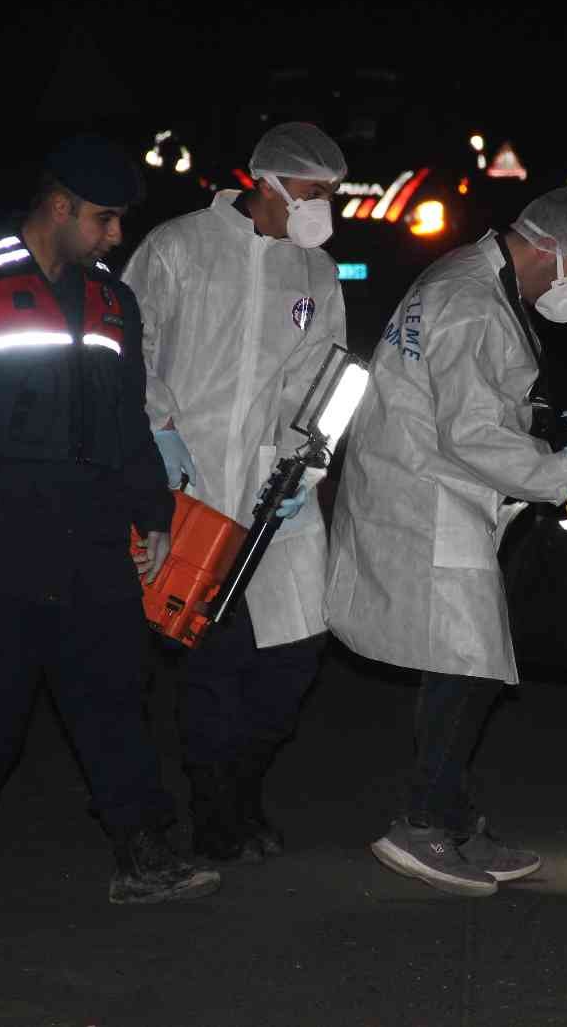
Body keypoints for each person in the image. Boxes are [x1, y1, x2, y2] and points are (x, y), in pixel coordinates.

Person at [0, 134, 219, 904]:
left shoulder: (114, 300)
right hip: (1, 529)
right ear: (59, 206)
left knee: (113, 695)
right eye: (105, 219)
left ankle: (143, 850)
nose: (116, 236)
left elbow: (131, 421)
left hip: (94, 530)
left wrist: (155, 511)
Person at [325, 188, 567, 896]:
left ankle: (452, 818)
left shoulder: (468, 275)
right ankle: (424, 824)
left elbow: (477, 398)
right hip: (432, 495)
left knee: (465, 662)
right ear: (552, 251)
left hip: (430, 487)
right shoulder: (473, 300)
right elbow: (471, 432)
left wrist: (546, 431)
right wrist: (561, 477)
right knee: (470, 663)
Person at [122, 122, 348, 862]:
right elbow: (130, 348)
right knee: (213, 661)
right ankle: (219, 812)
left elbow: (327, 383)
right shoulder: (179, 246)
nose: (324, 210)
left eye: (331, 196)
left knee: (294, 654)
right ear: (268, 183)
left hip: (279, 495)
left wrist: (306, 470)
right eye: (313, 194)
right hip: (193, 487)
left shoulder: (315, 273)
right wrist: (154, 431)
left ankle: (242, 787)